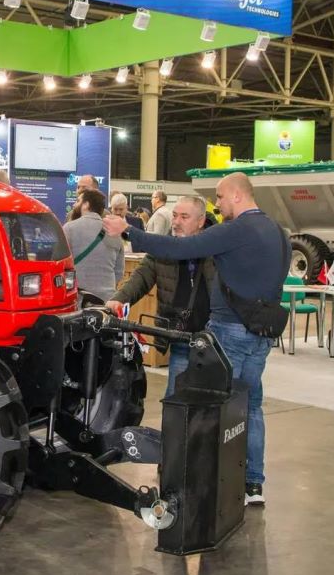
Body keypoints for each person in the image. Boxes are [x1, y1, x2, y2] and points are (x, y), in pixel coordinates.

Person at [103, 172, 290, 507]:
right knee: (250, 406)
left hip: (228, 333)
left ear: (237, 195)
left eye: (220, 196)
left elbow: (181, 248)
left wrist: (128, 230)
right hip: (261, 335)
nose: (218, 204)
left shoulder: (235, 230)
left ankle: (208, 481)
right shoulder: (278, 232)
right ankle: (252, 484)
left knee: (211, 407)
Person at [106, 195, 214, 397]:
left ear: (200, 221)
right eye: (175, 216)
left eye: (184, 217)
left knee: (213, 399)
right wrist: (118, 299)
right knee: (175, 398)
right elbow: (140, 277)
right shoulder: (162, 248)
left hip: (215, 337)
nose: (176, 222)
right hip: (180, 336)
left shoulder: (216, 247)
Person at [63, 188, 124, 304]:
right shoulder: (115, 232)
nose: (74, 204)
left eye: (78, 201)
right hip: (107, 300)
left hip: (78, 299)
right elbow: (119, 271)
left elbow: (62, 265)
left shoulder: (69, 228)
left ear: (86, 204)